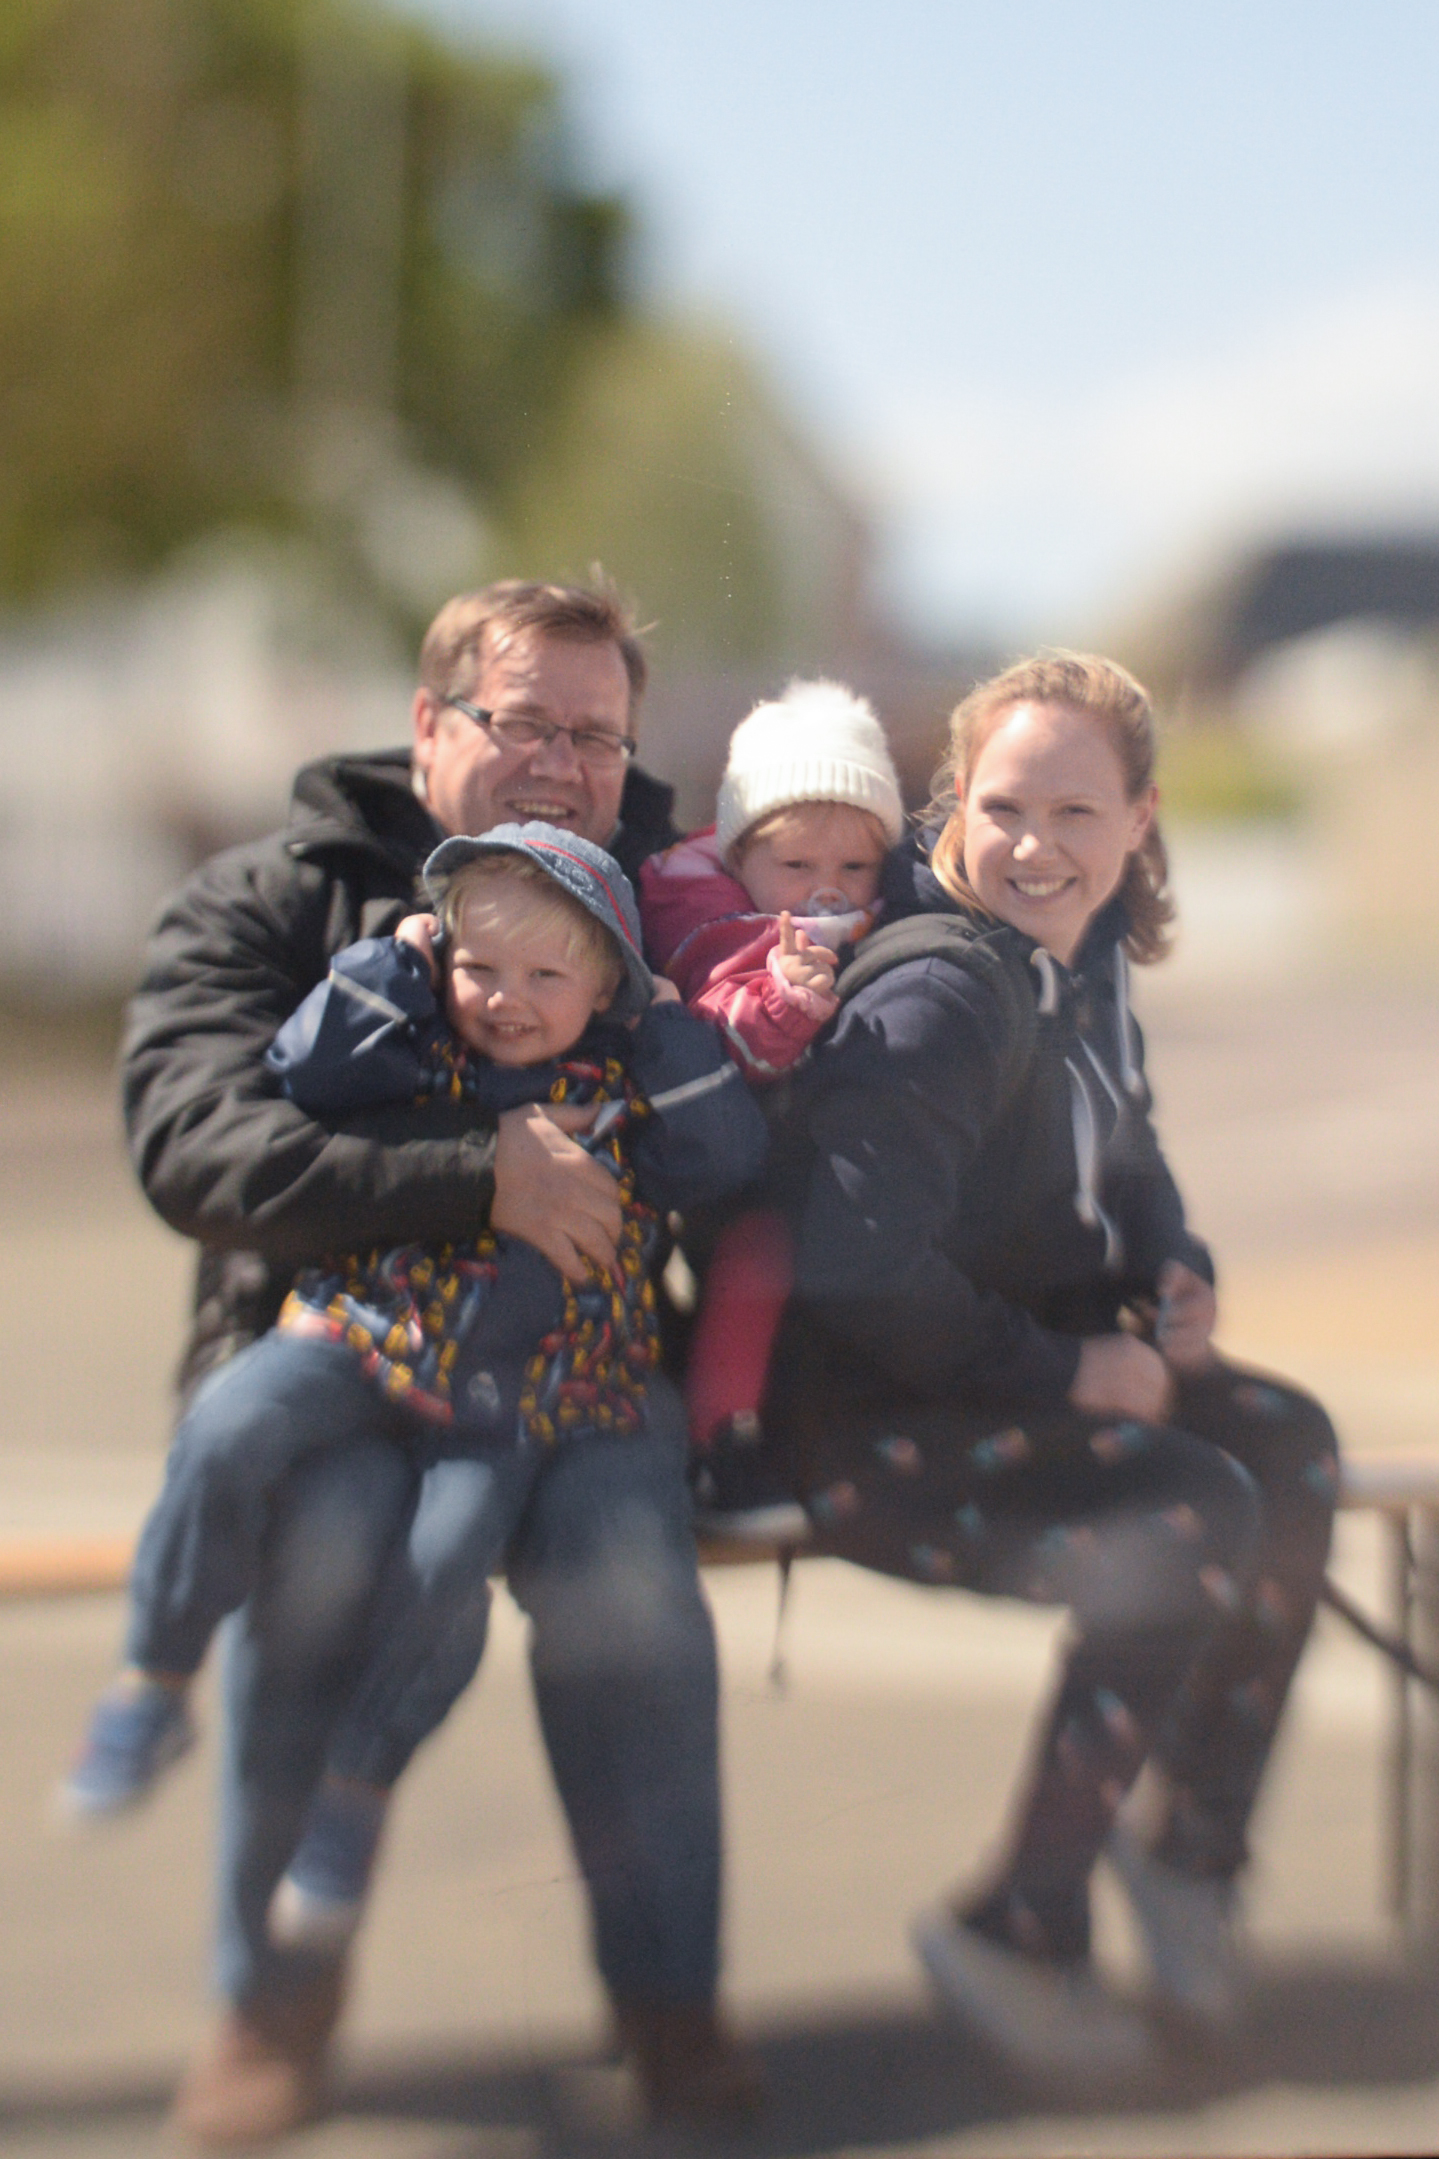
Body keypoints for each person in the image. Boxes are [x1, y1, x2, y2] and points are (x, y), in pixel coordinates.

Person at [117, 581, 760, 2140]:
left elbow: (771, 1129)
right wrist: (480, 1174)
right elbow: (196, 1142)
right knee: (327, 1546)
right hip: (333, 1362)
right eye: (521, 719)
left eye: (594, 734)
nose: (560, 760)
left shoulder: (667, 910)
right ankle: (271, 1999)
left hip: (579, 1371)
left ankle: (668, 2003)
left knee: (624, 1574)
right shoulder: (273, 898)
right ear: (426, 725)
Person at [761, 652, 1339, 2079]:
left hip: (1006, 1379)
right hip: (871, 1426)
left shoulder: (1080, 952)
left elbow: (1123, 1149)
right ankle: (1016, 1923)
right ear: (953, 802)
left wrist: (1169, 1265)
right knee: (1187, 1508)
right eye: (1003, 805)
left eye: (1074, 811)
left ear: (1137, 819)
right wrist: (1069, 1369)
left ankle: (1189, 1852)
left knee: (1287, 1442)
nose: (1033, 843)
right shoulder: (936, 995)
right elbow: (852, 1266)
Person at [65, 824, 767, 1955]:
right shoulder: (418, 1034)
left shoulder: (626, 1080)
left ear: (605, 987)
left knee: (442, 1570)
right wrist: (389, 968)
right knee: (230, 1422)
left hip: (519, 1390)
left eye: (545, 977)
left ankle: (355, 1786)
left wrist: (668, 1026)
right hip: (368, 1330)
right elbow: (302, 1073)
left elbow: (723, 1155)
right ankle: (152, 1674)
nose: (506, 1000)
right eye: (479, 966)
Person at [638, 681, 903, 1536]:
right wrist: (782, 1000)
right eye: (796, 868)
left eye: (852, 868)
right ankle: (719, 1443)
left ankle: (803, 1430)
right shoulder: (705, 912)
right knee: (754, 1268)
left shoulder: (883, 910)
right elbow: (722, 1008)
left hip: (816, 1152)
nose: (826, 891)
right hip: (730, 1156)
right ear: (738, 857)